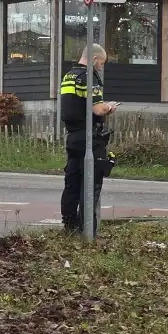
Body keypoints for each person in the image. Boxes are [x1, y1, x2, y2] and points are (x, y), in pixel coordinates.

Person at [59, 44, 118, 234]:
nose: (101, 67)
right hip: (90, 137)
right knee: (91, 185)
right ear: (94, 59)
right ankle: (87, 231)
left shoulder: (69, 76)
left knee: (72, 184)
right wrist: (109, 107)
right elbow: (97, 109)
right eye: (101, 63)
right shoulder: (89, 78)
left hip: (73, 137)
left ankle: (69, 226)